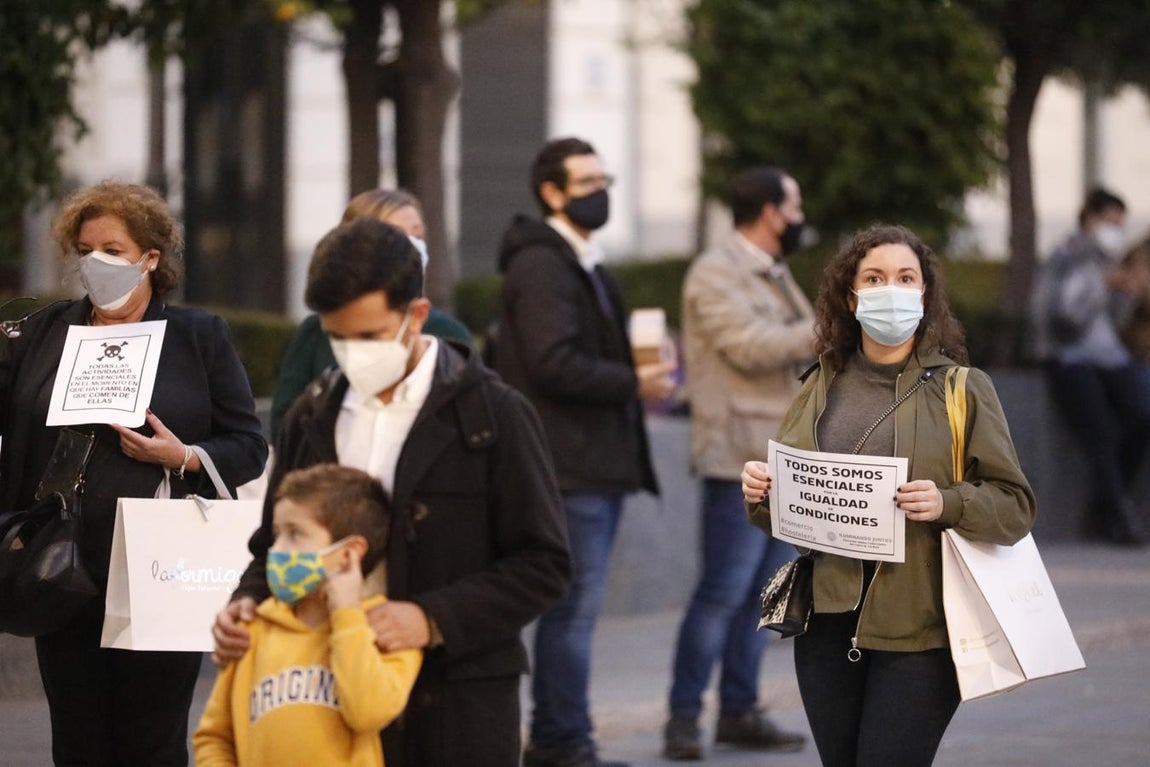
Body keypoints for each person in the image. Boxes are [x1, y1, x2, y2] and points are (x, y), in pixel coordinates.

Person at [213, 217, 570, 767]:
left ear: (416, 315)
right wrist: (246, 601)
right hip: (325, 703)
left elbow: (544, 564)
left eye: (369, 337)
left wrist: (431, 618)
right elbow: (271, 544)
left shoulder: (493, 415)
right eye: (336, 338)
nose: (352, 353)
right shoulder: (312, 415)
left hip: (454, 707)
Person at [741, 224, 1036, 767]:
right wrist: (763, 494)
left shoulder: (962, 388)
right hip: (826, 625)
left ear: (924, 295)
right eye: (874, 278)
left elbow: (1015, 506)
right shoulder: (819, 383)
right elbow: (791, 511)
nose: (891, 290)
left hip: (921, 629)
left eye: (905, 278)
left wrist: (947, 502)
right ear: (852, 297)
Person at [0, 180, 268, 765]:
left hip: (159, 567)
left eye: (113, 250)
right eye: (85, 250)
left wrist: (183, 456)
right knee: (77, 739)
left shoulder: (198, 336)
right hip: (59, 563)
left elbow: (249, 446)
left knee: (153, 740)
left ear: (150, 258)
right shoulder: (44, 333)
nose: (96, 262)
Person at [494, 136, 676, 767]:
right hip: (568, 466)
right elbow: (553, 363)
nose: (600, 194)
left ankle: (560, 736)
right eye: (587, 183)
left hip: (591, 464)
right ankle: (561, 741)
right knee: (571, 611)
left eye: (604, 182)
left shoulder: (581, 260)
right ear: (552, 193)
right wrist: (633, 381)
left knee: (574, 610)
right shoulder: (543, 265)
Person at [663, 167, 811, 760]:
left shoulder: (775, 270)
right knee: (722, 590)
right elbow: (748, 346)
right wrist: (830, 327)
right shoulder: (715, 271)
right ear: (771, 212)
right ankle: (682, 717)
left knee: (770, 591)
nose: (800, 218)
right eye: (794, 206)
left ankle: (740, 710)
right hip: (736, 458)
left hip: (785, 455)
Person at [194, 463, 422, 767]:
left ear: (348, 553)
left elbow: (367, 710)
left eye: (295, 534)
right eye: (277, 534)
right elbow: (214, 737)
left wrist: (347, 617)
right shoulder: (254, 628)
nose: (276, 549)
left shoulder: (387, 633)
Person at [269, 188, 473, 442]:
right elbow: (284, 423)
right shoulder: (314, 332)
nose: (413, 245)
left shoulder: (450, 335)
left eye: (418, 235)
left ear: (417, 317)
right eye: (396, 235)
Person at [1031, 187, 1150, 544]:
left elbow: (1112, 323)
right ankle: (1116, 517)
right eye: (1110, 222)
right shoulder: (1067, 256)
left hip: (1107, 355)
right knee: (1100, 430)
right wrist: (1102, 285)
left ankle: (1107, 506)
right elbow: (1064, 320)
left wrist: (1127, 294)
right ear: (1090, 219)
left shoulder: (1112, 261)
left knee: (1140, 416)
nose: (1115, 230)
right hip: (1067, 356)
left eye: (1120, 224)